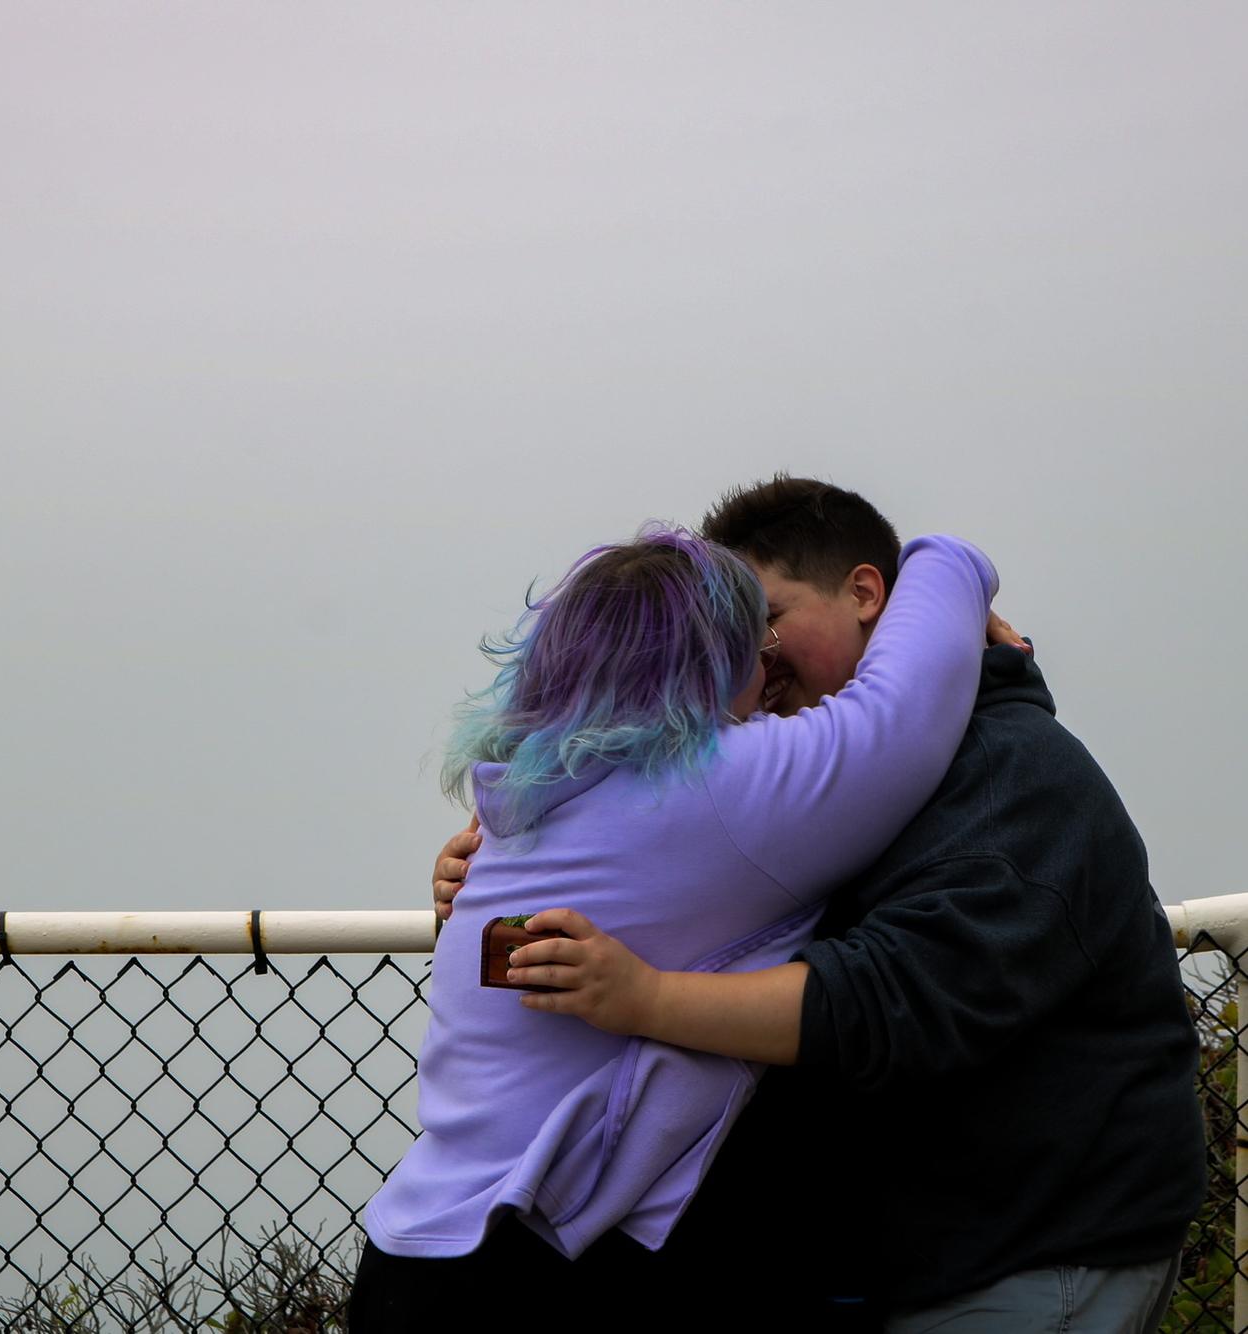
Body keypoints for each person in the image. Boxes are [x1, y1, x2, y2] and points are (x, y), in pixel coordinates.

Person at [476, 477, 1206, 1333]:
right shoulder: (818, 798)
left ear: (867, 595)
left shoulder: (1009, 774)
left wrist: (649, 999)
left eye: (771, 617)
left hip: (1030, 1254)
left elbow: (889, 999)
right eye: (736, 636)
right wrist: (495, 860)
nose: (756, 655)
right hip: (919, 1261)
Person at [354, 521, 999, 1330]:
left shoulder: (523, 800)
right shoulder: (714, 793)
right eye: (753, 637)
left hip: (414, 1254)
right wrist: (949, 563)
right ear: (710, 658)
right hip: (540, 1269)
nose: (767, 661)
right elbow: (908, 710)